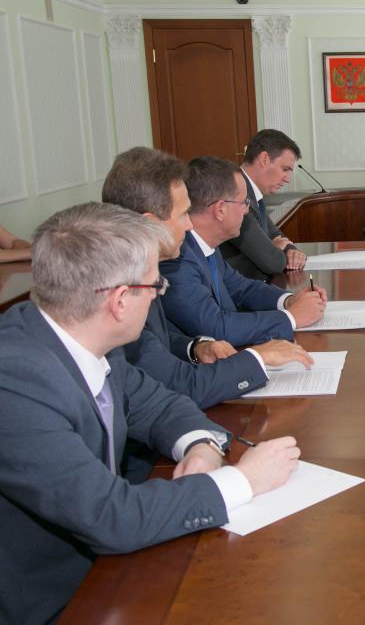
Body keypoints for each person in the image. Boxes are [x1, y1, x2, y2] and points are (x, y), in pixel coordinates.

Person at [0, 203, 300, 623]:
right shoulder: (15, 382)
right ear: (120, 301)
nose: (160, 293)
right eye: (155, 284)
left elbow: (160, 404)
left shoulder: (79, 333)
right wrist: (243, 480)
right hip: (56, 600)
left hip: (110, 568)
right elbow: (110, 517)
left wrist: (201, 446)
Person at [102, 146, 313, 410]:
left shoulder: (138, 271)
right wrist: (259, 355)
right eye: (183, 214)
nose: (190, 225)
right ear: (150, 224)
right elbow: (178, 382)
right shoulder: (128, 286)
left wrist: (195, 347)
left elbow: (157, 341)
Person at [160, 156, 326, 347]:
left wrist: (288, 300)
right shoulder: (176, 259)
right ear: (220, 210)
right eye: (244, 202)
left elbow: (242, 288)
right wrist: (292, 318)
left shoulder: (205, 245)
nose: (247, 210)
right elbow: (216, 328)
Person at [225, 128, 307, 279]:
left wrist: (290, 249)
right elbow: (272, 262)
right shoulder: (236, 195)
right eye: (285, 169)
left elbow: (275, 234)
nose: (288, 179)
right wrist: (274, 250)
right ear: (264, 159)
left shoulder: (254, 193)